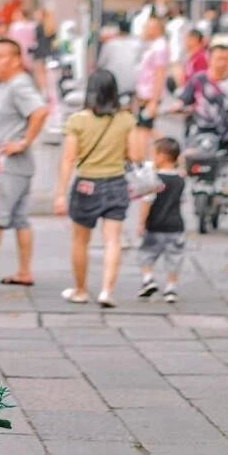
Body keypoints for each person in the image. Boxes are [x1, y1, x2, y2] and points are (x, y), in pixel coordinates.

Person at [54, 67, 137, 308]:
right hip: (116, 182)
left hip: (87, 184)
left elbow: (69, 158)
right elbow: (134, 154)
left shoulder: (77, 121)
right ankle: (106, 291)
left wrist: (60, 193)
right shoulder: (126, 120)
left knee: (81, 240)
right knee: (113, 240)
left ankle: (80, 290)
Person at [0, 35, 50, 287]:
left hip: (10, 165)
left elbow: (40, 111)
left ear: (16, 61)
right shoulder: (5, 86)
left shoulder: (19, 85)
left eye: (0, 57)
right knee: (20, 219)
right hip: (19, 166)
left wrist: (23, 142)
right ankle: (24, 272)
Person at [180, 36, 228, 181]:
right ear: (209, 58)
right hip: (201, 131)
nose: (222, 63)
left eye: (226, 58)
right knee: (183, 157)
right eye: (218, 58)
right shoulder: (198, 80)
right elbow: (183, 101)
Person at [137, 136, 186, 303]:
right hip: (176, 226)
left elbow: (147, 202)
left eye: (154, 155)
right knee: (175, 257)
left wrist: (141, 223)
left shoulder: (154, 179)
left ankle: (148, 279)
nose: (153, 159)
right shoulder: (180, 179)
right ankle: (171, 288)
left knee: (146, 254)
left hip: (155, 225)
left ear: (163, 156)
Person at [133, 15, 169, 157]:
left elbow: (160, 74)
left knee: (144, 128)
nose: (145, 30)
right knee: (143, 128)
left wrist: (154, 100)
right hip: (145, 92)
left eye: (148, 27)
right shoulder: (153, 45)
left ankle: (167, 151)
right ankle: (143, 157)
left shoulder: (160, 47)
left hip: (150, 94)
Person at [97, 14, 143, 103]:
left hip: (113, 82)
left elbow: (101, 63)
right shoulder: (138, 44)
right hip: (134, 83)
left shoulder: (110, 44)